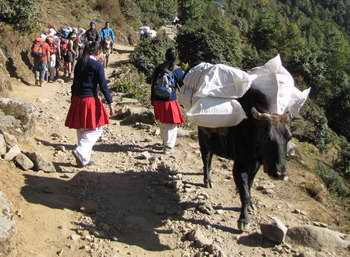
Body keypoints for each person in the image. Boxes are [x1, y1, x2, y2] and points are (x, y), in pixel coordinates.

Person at [65, 41, 113, 167]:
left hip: (77, 98)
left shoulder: (79, 63)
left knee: (81, 128)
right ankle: (80, 150)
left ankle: (83, 159)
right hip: (89, 99)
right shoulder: (97, 65)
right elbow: (103, 86)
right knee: (96, 129)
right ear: (98, 52)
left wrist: (72, 98)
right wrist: (110, 102)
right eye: (102, 52)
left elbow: (74, 83)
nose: (102, 54)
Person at [151, 48, 185, 153]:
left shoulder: (158, 68)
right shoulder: (178, 70)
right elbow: (183, 86)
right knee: (171, 123)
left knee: (162, 122)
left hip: (157, 99)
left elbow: (152, 84)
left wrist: (152, 98)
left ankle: (164, 142)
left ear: (165, 56)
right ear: (176, 58)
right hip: (170, 100)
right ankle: (168, 146)